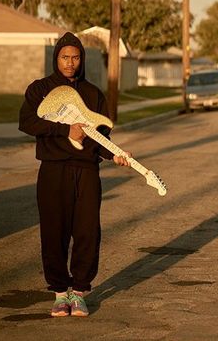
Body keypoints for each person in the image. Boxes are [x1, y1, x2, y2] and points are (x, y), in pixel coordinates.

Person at [19, 31, 131, 318]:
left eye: (76, 57)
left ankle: (79, 292)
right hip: (53, 170)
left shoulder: (93, 94)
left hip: (86, 171)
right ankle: (59, 293)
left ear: (81, 59)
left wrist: (114, 154)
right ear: (56, 57)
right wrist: (63, 129)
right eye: (65, 57)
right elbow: (27, 121)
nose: (70, 63)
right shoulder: (40, 89)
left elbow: (100, 137)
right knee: (53, 231)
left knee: (87, 231)